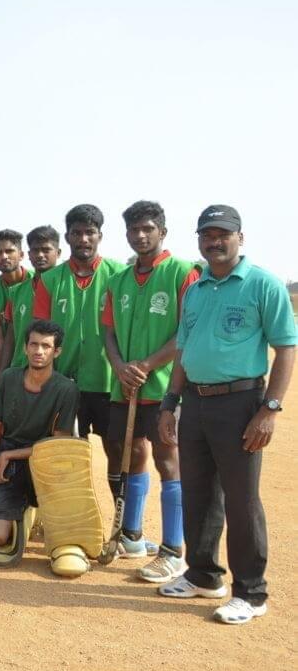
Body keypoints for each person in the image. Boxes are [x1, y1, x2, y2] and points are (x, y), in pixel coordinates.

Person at [156, 205, 295, 625]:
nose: (214, 242)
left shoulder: (262, 284)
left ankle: (251, 593)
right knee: (199, 492)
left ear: (240, 237)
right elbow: (183, 349)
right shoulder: (195, 289)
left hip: (241, 403)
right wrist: (170, 402)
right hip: (195, 401)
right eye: (207, 235)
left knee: (241, 498)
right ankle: (202, 574)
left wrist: (269, 409)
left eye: (223, 234)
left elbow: (286, 348)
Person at [102, 201, 200, 580]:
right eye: (133, 230)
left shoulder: (182, 273)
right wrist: (119, 366)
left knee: (168, 459)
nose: (140, 236)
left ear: (162, 231)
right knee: (132, 454)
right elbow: (108, 331)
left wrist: (147, 364)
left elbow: (188, 331)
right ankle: (132, 536)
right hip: (125, 385)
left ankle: (174, 550)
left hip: (165, 386)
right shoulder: (120, 280)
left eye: (148, 229)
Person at [33, 204, 127, 502]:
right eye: (77, 233)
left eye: (90, 233)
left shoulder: (118, 275)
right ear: (67, 237)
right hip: (64, 384)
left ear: (100, 235)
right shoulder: (50, 280)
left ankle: (122, 524)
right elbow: (40, 334)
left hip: (110, 382)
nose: (83, 239)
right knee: (69, 450)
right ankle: (73, 520)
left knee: (117, 448)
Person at [0, 320, 79, 556]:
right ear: (25, 348)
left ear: (57, 351)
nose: (39, 351)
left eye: (46, 346)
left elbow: (58, 443)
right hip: (4, 463)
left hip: (41, 462)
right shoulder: (8, 378)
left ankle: (30, 508)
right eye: (34, 344)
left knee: (66, 523)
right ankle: (17, 510)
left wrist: (10, 455)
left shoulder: (66, 390)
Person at [3, 226, 61, 370]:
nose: (40, 255)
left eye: (46, 250)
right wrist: (2, 373)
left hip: (58, 372)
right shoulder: (16, 292)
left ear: (58, 253)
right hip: (20, 370)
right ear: (28, 254)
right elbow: (10, 338)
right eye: (35, 250)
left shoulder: (68, 288)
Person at [0, 229, 31, 390]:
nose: (4, 256)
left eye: (9, 251)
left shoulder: (38, 282)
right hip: (11, 365)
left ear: (22, 255)